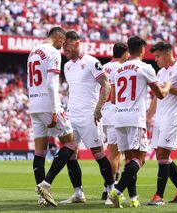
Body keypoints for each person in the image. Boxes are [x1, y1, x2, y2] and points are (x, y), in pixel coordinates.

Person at [108, 36, 171, 208]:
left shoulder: (118, 70)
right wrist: (168, 85)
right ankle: (117, 191)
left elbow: (113, 99)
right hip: (135, 118)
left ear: (128, 50)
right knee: (140, 159)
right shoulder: (145, 68)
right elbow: (161, 94)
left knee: (129, 160)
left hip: (119, 118)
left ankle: (133, 198)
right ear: (142, 50)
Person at [59, 31, 114, 204]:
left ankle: (111, 190)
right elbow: (72, 90)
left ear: (76, 43)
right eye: (62, 46)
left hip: (89, 114)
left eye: (66, 45)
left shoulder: (91, 62)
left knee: (98, 153)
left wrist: (99, 107)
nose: (63, 49)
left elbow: (106, 84)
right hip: (72, 114)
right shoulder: (67, 66)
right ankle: (78, 193)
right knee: (70, 153)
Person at [28, 27, 78, 207]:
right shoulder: (53, 53)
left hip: (34, 104)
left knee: (39, 151)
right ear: (58, 37)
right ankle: (46, 184)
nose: (62, 47)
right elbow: (50, 85)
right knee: (71, 143)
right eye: (62, 42)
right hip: (48, 104)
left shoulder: (33, 51)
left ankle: (42, 197)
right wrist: (55, 110)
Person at [147, 41, 177, 206]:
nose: (156, 59)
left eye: (158, 56)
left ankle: (158, 196)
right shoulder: (160, 73)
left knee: (162, 155)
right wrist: (148, 116)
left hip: (173, 118)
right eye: (155, 56)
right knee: (162, 156)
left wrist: (169, 89)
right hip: (159, 119)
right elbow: (156, 96)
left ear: (168, 53)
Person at [101, 42, 129, 204]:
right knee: (115, 154)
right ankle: (111, 190)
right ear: (124, 53)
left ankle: (107, 188)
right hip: (114, 113)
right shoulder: (121, 69)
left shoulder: (103, 66)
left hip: (104, 113)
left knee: (113, 153)